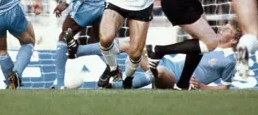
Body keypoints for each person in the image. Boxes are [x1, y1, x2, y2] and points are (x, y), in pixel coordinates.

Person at [68, 20, 241, 90]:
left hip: (179, 78)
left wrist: (202, 86)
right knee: (130, 43)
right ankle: (77, 51)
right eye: (224, 26)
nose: (221, 29)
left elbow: (224, 87)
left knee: (161, 71)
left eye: (227, 29)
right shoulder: (207, 41)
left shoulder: (229, 59)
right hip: (171, 62)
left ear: (234, 40)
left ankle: (112, 86)